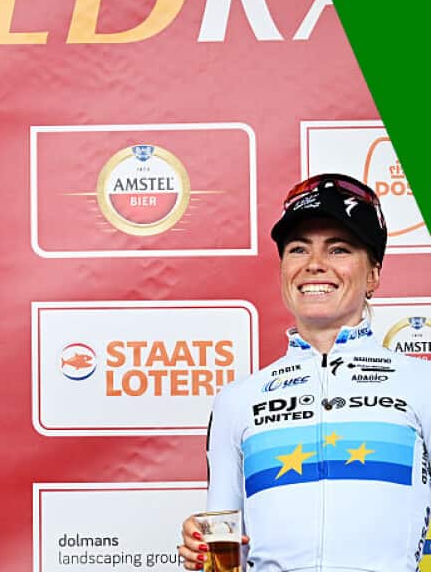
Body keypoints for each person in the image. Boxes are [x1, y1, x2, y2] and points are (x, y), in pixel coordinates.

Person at [179, 173, 431, 571]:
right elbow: (223, 550)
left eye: (339, 249)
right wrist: (200, 552)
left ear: (373, 274)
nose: (314, 265)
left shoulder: (422, 384)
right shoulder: (237, 400)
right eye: (298, 249)